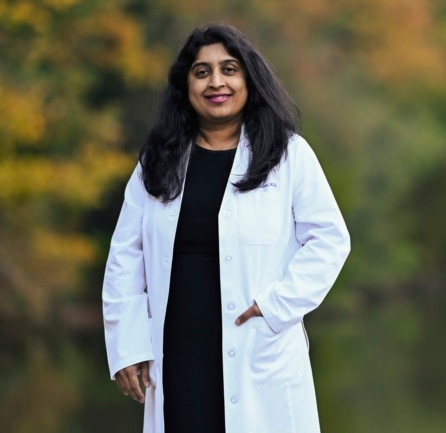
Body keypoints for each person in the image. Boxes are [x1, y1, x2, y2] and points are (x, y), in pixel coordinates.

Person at [102, 23, 350, 433]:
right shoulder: (158, 160)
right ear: (187, 85)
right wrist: (128, 345)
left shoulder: (288, 155)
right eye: (202, 72)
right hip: (178, 351)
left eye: (229, 69)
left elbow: (329, 239)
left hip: (257, 346)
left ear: (249, 79)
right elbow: (125, 256)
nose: (216, 81)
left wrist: (277, 306)